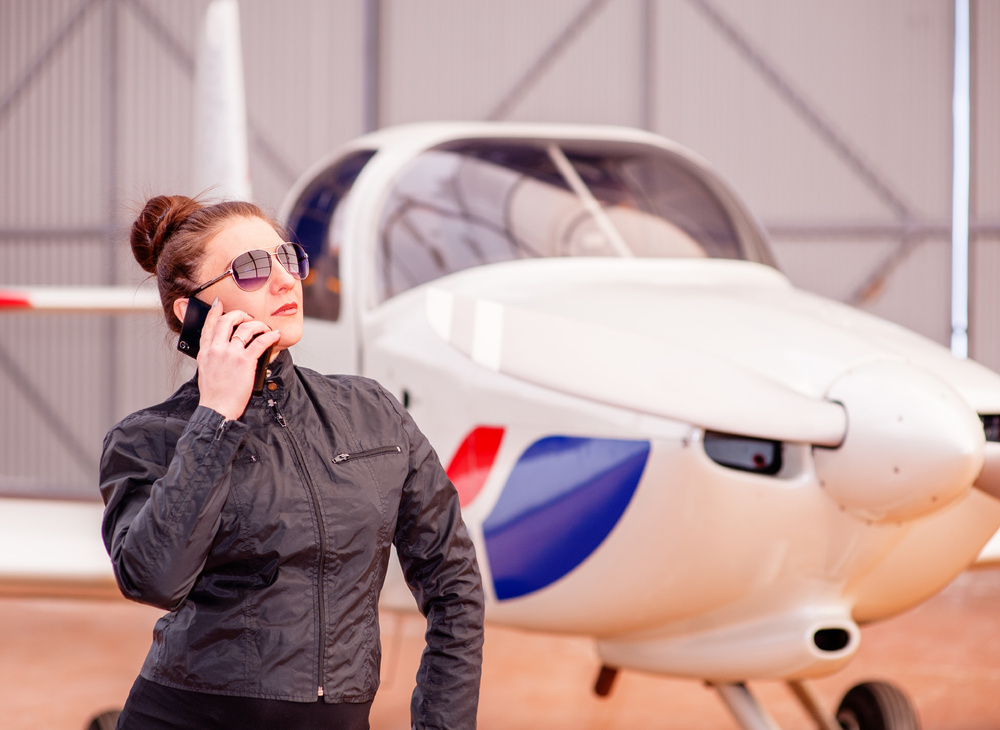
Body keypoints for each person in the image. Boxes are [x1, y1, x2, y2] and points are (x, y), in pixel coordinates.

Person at [99, 195, 485, 730]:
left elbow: (454, 585)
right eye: (252, 269)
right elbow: (152, 578)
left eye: (287, 258)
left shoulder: (372, 412)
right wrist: (215, 417)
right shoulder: (147, 438)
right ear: (193, 312)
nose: (285, 280)